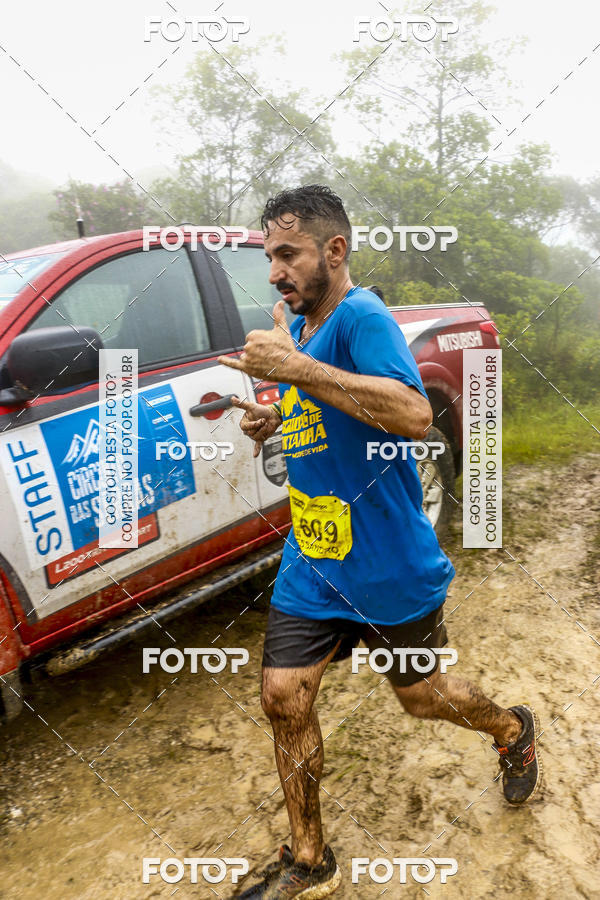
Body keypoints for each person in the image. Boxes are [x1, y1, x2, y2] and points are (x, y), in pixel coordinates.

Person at [218, 185, 541, 899]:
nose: (275, 271)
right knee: (283, 699)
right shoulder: (299, 324)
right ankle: (309, 858)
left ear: (335, 251)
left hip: (388, 565)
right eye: (270, 255)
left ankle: (512, 729)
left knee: (423, 698)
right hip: (315, 560)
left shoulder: (362, 315)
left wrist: (294, 370)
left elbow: (413, 414)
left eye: (288, 254)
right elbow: (326, 401)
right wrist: (273, 415)